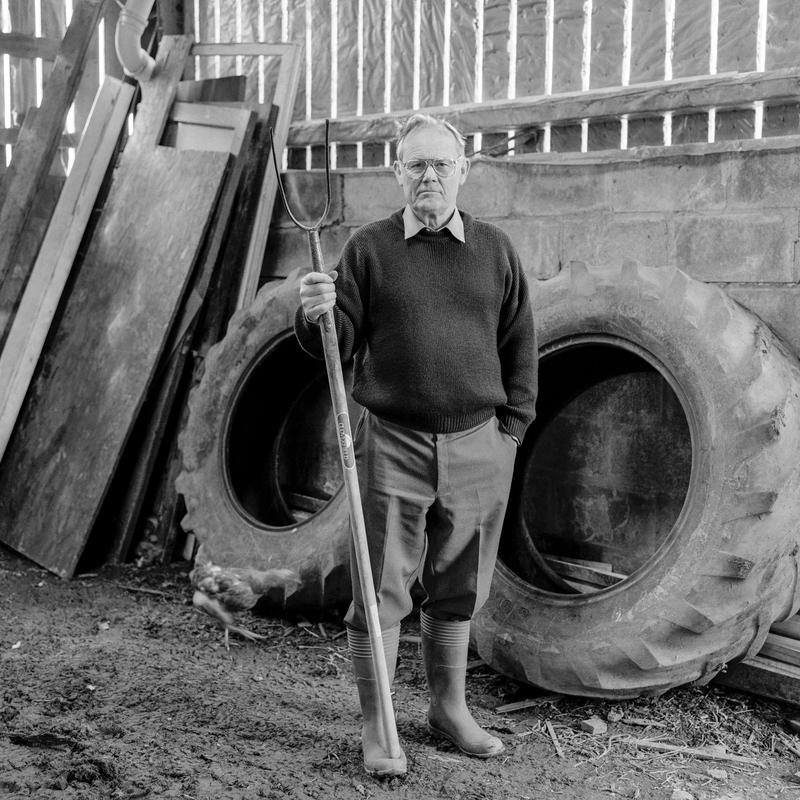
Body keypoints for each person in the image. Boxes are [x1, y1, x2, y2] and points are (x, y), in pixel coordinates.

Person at [294, 113, 538, 778]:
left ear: (464, 171)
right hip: (393, 446)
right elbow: (334, 343)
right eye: (415, 165)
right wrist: (314, 310)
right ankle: (379, 729)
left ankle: (449, 709)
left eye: (441, 164)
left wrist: (510, 431)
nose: (429, 175)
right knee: (380, 587)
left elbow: (520, 343)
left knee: (459, 584)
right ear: (396, 172)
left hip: (478, 446)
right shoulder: (368, 251)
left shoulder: (495, 251)